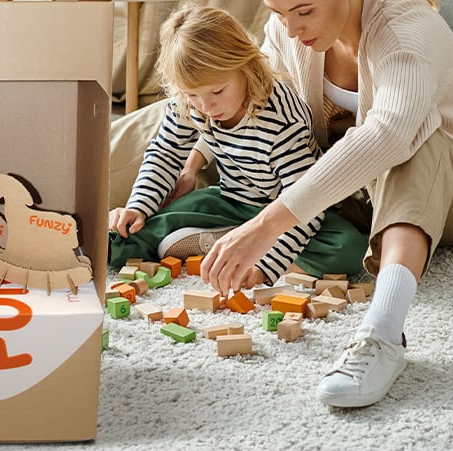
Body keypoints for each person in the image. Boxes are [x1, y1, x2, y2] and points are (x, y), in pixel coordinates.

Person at [111, 0, 453, 409]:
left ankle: (382, 334)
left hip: (446, 190)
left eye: (303, 11)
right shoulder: (288, 31)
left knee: (414, 142)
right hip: (338, 187)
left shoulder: (408, 31)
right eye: (279, 12)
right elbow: (242, 98)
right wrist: (194, 163)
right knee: (189, 103)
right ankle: (68, 204)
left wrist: (266, 229)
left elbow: (389, 134)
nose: (289, 28)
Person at [108, 5, 367, 287]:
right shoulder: (190, 101)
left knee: (351, 248)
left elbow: (305, 202)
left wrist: (266, 269)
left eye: (217, 91)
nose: (207, 107)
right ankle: (229, 237)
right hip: (230, 201)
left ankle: (248, 247)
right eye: (193, 95)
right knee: (128, 233)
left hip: (289, 211)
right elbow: (166, 152)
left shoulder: (281, 118)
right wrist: (137, 207)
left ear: (247, 67)